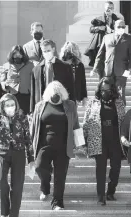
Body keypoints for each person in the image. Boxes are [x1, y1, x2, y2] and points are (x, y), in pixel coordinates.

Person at [30, 81, 80, 210]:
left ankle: (57, 202)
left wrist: (80, 144)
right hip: (44, 145)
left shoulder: (70, 105)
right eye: (53, 91)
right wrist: (29, 144)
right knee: (40, 167)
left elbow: (75, 124)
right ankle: (45, 187)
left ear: (62, 93)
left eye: (58, 91)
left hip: (63, 146)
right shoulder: (40, 106)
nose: (55, 94)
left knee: (60, 175)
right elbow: (34, 127)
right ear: (48, 93)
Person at [0, 93, 34, 217]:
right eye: (7, 105)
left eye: (12, 104)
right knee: (1, 182)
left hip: (18, 153)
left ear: (16, 105)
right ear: (2, 106)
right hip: (2, 152)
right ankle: (4, 212)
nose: (10, 107)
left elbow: (28, 139)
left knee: (17, 186)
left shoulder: (22, 118)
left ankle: (14, 214)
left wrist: (31, 158)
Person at [82, 77, 126, 205]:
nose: (104, 92)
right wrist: (84, 141)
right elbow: (86, 122)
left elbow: (123, 121)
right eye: (102, 89)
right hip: (98, 139)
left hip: (115, 139)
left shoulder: (119, 102)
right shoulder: (93, 102)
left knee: (116, 168)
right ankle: (101, 197)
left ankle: (111, 192)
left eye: (107, 89)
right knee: (100, 169)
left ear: (112, 89)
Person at [91, 20, 131, 105]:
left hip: (122, 71)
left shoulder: (130, 39)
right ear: (114, 27)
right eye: (119, 26)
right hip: (107, 71)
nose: (121, 28)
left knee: (120, 95)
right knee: (105, 93)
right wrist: (95, 68)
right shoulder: (106, 37)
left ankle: (121, 115)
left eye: (123, 27)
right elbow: (100, 54)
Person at [30, 39, 75, 112]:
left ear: (53, 49)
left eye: (48, 50)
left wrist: (72, 108)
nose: (46, 53)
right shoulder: (36, 69)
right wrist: (32, 110)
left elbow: (71, 88)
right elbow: (33, 92)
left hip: (60, 105)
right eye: (44, 51)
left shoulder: (65, 67)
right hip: (42, 107)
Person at [85, 1, 119, 67]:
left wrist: (112, 31)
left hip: (112, 44)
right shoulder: (98, 19)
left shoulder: (117, 20)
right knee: (100, 64)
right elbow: (91, 29)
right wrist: (101, 28)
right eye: (108, 7)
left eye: (111, 8)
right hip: (100, 44)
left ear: (113, 9)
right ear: (105, 8)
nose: (109, 9)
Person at [1, 45, 34, 115]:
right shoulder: (6, 66)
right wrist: (5, 86)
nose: (17, 56)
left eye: (19, 54)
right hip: (12, 95)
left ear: (23, 55)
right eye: (15, 54)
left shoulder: (30, 65)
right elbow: (2, 81)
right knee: (12, 116)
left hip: (25, 94)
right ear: (11, 55)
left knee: (25, 116)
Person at [60, 41, 88, 106]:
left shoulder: (79, 65)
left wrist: (84, 97)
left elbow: (82, 82)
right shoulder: (60, 64)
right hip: (63, 95)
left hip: (75, 96)